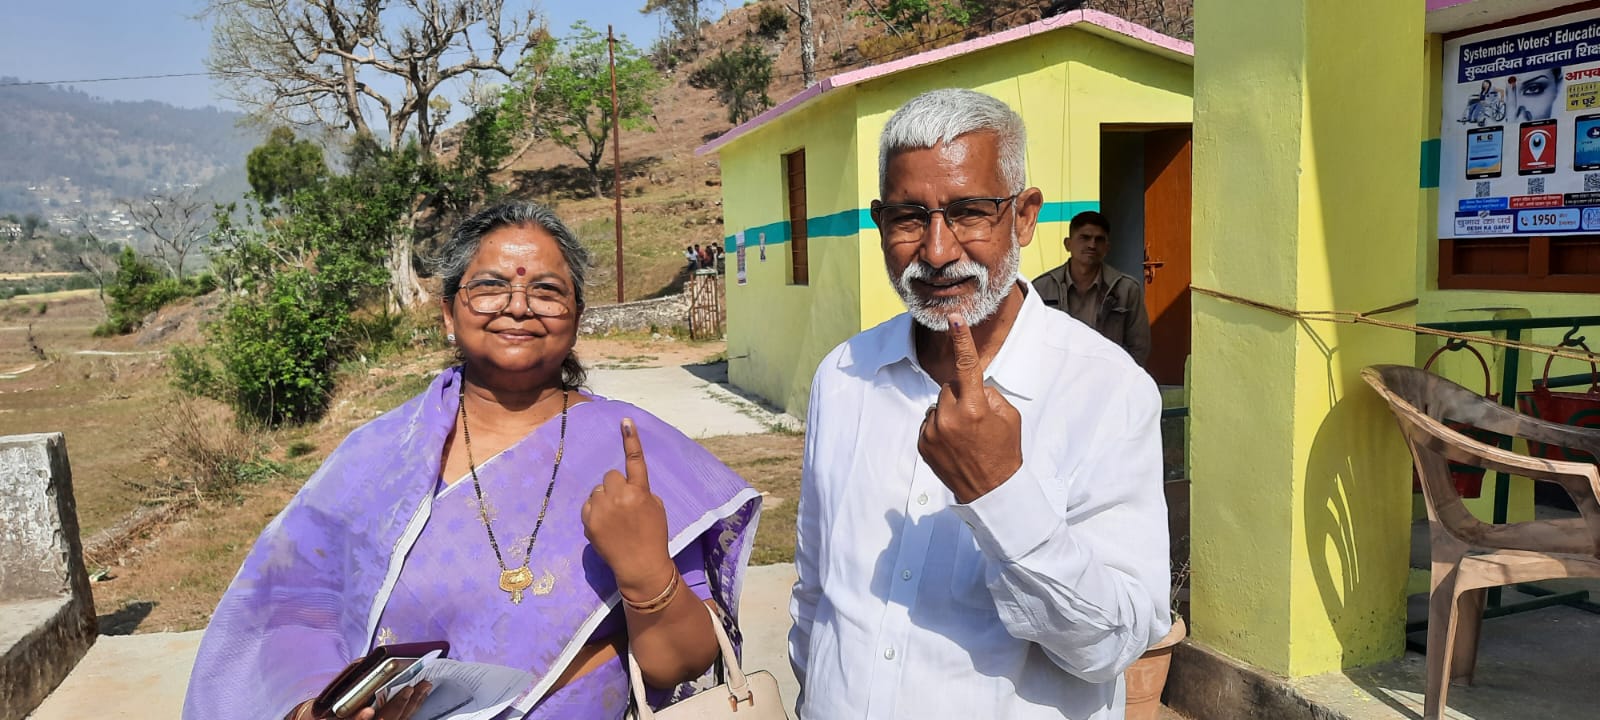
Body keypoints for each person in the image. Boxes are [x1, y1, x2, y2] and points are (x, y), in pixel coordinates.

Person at [184, 201, 762, 720]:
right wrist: (319, 708)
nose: (517, 306)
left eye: (546, 290)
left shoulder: (630, 448)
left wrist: (645, 573)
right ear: (447, 313)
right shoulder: (377, 456)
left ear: (577, 317)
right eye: (489, 287)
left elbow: (679, 664)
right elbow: (292, 608)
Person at [789, 88, 1170, 719]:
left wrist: (1000, 492)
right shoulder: (844, 377)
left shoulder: (1107, 391)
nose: (937, 252)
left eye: (968, 212)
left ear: (1023, 217)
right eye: (910, 218)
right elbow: (816, 593)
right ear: (882, 222)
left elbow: (1111, 646)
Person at [1031, 211, 1153, 367]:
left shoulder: (1126, 289)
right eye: (1084, 238)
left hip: (1108, 378)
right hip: (1058, 379)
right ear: (1068, 244)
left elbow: (1139, 346)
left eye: (1099, 240)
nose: (1092, 245)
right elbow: (1032, 340)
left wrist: (1122, 380)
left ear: (1107, 247)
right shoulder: (1042, 288)